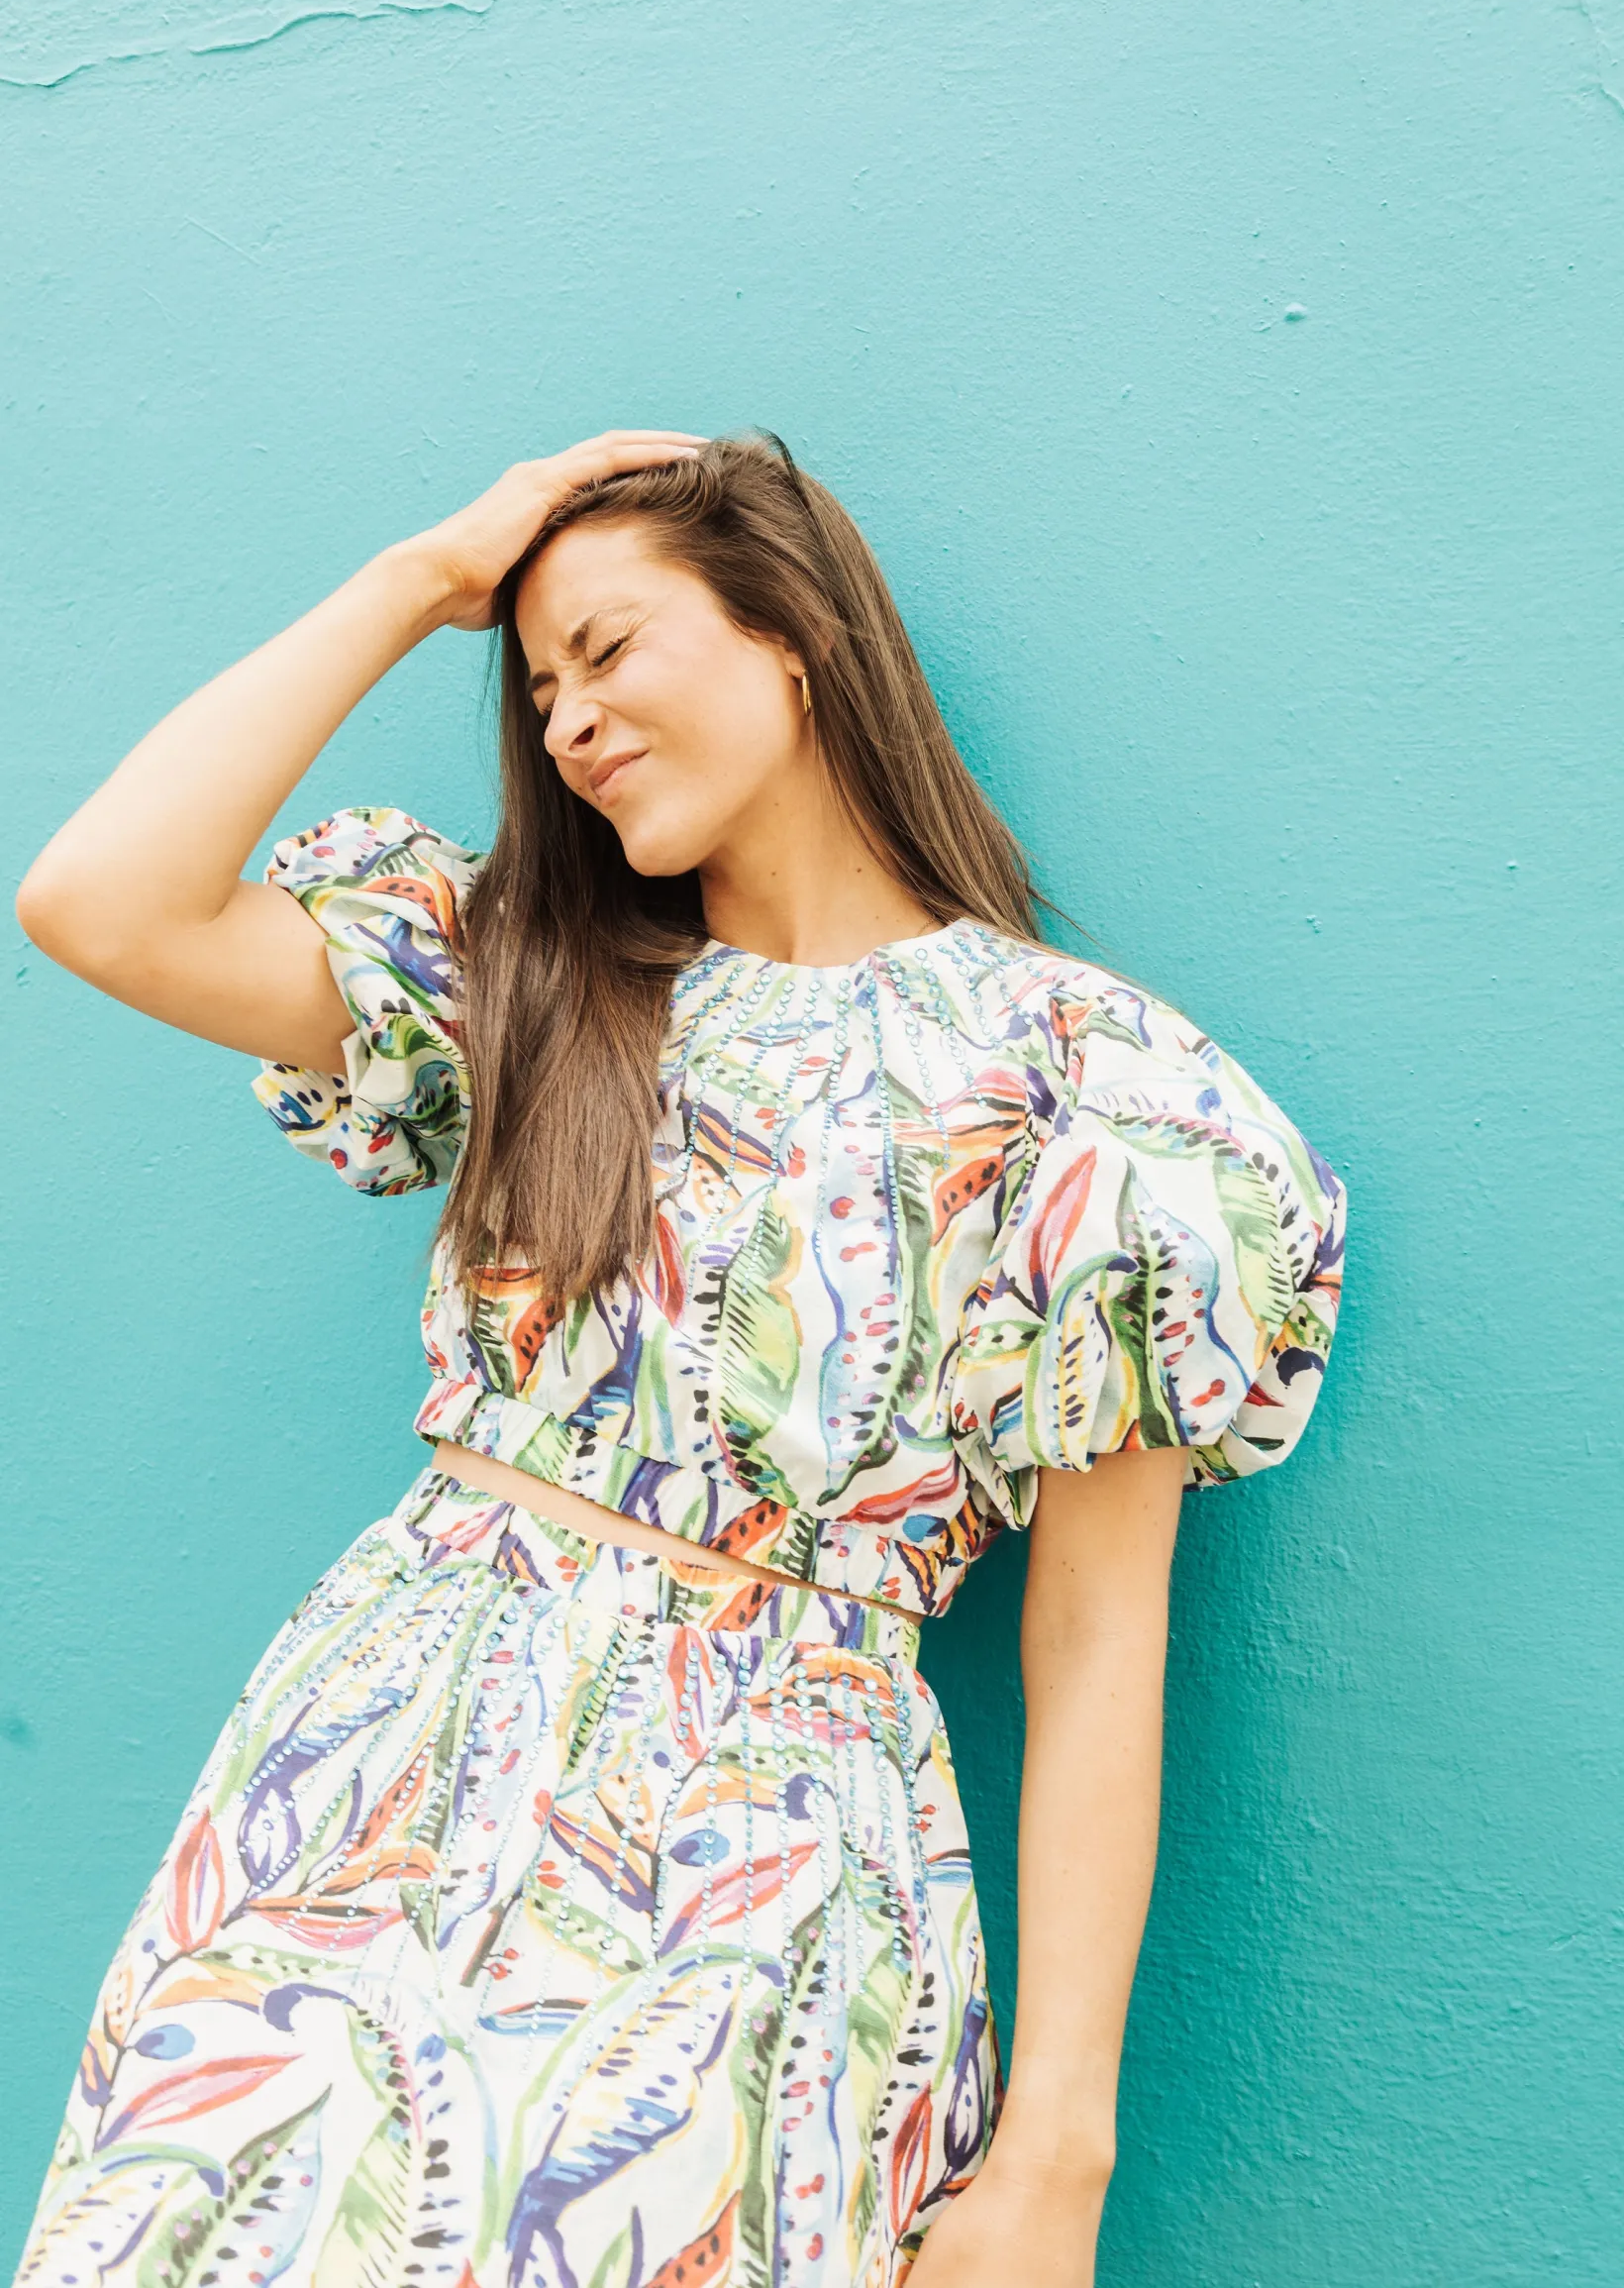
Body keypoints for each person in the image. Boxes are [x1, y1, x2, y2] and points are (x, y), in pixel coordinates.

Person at [12, 428, 1347, 2288]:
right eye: (538, 682)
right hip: (375, 1788)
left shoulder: (1092, 1098)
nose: (563, 720)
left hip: (763, 1863)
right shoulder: (533, 983)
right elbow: (100, 903)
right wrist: (422, 578)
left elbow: (1102, 1637)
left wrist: (1059, 2152)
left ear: (789, 630)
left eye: (609, 649)